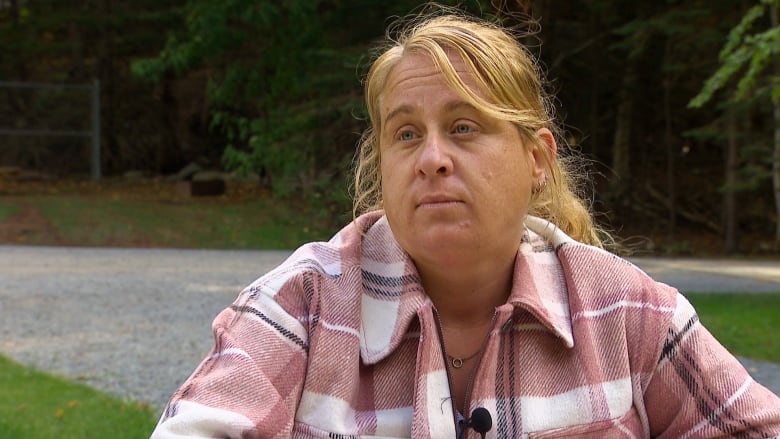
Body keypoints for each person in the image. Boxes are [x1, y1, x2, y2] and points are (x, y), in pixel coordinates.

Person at [150, 8, 780, 439]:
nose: (432, 159)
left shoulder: (630, 316)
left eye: (463, 127)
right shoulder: (301, 308)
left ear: (536, 159)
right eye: (405, 134)